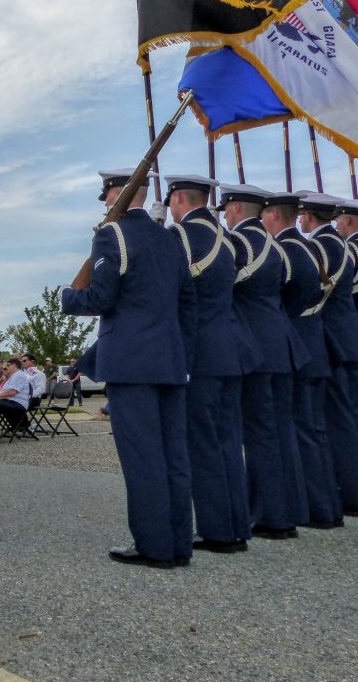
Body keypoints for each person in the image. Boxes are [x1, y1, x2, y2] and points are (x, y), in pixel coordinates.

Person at [62, 169, 197, 568]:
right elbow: (187, 305)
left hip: (131, 363)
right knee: (174, 454)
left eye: (107, 197)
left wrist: (67, 297)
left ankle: (154, 546)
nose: (105, 204)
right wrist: (182, 356)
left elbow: (102, 297)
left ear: (119, 195)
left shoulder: (112, 236)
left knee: (142, 457)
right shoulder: (171, 238)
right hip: (171, 362)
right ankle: (178, 544)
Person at [165, 175, 257, 553]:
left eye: (171, 199)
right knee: (227, 442)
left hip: (200, 351)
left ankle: (217, 531)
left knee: (202, 443)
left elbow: (172, 289)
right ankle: (237, 526)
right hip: (230, 348)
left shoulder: (182, 237)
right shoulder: (229, 239)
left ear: (179, 198)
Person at [220, 183, 310, 539]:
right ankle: (287, 511)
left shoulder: (239, 244)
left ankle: (269, 515)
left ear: (237, 209)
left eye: (226, 209)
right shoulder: (279, 247)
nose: (225, 215)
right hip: (282, 346)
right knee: (276, 433)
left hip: (253, 351)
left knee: (256, 435)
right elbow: (301, 292)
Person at [262, 191, 340, 528]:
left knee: (300, 432)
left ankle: (312, 509)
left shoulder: (287, 250)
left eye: (264, 215)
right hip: (312, 348)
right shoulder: (307, 249)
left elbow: (277, 300)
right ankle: (323, 507)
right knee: (312, 432)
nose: (262, 221)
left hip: (296, 350)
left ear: (274, 216)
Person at [299, 193, 358, 517]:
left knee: (336, 421)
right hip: (345, 338)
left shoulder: (321, 246)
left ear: (309, 217)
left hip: (330, 339)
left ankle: (347, 492)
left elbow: (313, 292)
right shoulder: (344, 246)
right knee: (343, 419)